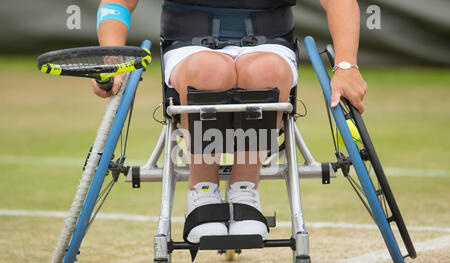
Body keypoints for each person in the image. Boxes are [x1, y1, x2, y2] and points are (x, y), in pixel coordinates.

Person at [93, 0, 367, 243]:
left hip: (270, 43)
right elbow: (117, 3)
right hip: (189, 45)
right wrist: (111, 58)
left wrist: (346, 66)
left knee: (267, 71)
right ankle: (202, 190)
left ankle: (245, 189)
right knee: (209, 70)